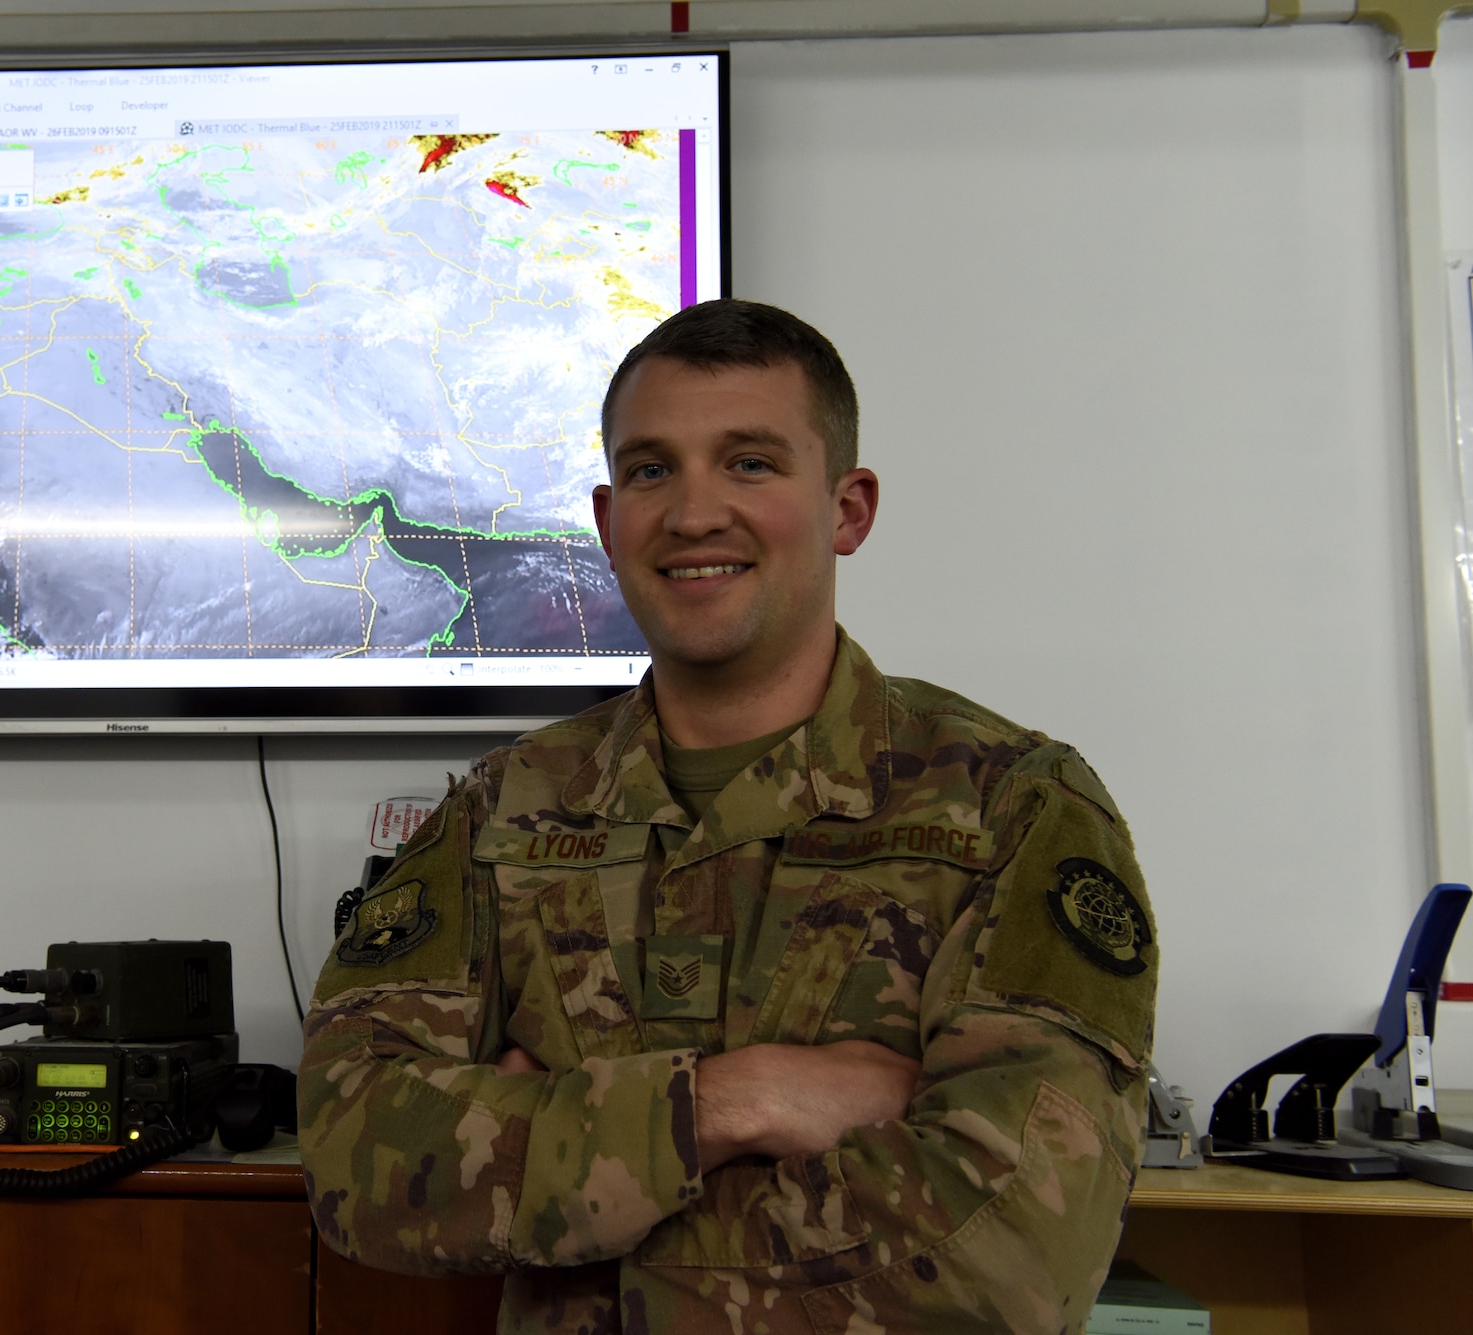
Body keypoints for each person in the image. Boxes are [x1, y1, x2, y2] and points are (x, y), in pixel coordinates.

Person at [297, 299, 1157, 1334]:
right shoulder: (504, 810)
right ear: (609, 520)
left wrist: (565, 1181)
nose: (693, 512)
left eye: (748, 463)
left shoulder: (1009, 807)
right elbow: (358, 1161)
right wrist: (733, 1103)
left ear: (848, 509)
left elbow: (1016, 1248)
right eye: (652, 470)